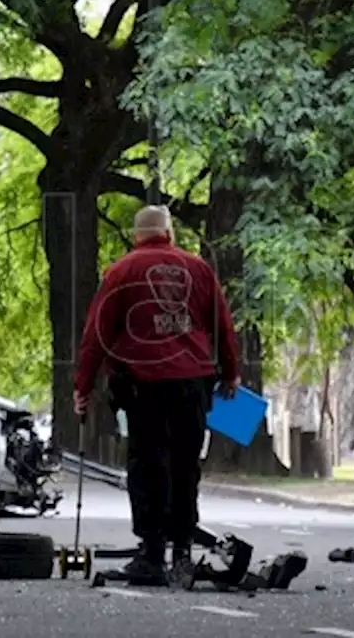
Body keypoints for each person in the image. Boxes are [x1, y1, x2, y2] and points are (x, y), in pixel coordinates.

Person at [72, 205, 240, 586]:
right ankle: (182, 553)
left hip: (143, 383)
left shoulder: (121, 271)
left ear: (136, 236)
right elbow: (223, 327)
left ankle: (151, 554)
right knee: (185, 466)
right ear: (170, 234)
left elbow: (95, 335)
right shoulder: (199, 269)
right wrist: (230, 373)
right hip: (192, 382)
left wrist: (82, 388)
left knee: (149, 465)